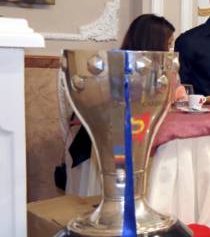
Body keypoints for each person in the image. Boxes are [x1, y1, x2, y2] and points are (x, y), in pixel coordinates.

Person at [63, 13, 179, 197]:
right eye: (168, 43)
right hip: (106, 147)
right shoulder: (113, 70)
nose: (171, 50)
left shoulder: (160, 71)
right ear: (154, 43)